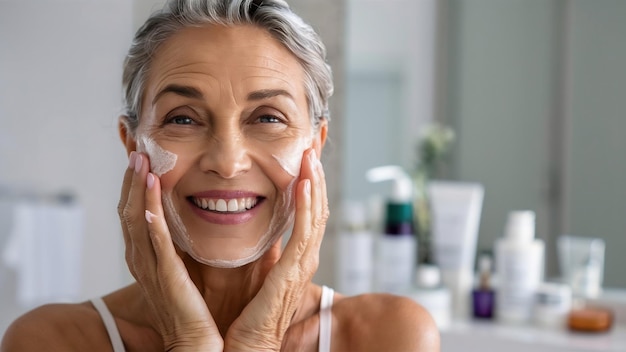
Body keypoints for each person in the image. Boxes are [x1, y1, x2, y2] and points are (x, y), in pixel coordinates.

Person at [1, 0, 439, 350]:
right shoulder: (51, 341)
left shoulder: (388, 337)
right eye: (184, 119)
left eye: (268, 118)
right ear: (134, 144)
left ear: (316, 145)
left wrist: (259, 342)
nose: (227, 162)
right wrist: (186, 342)